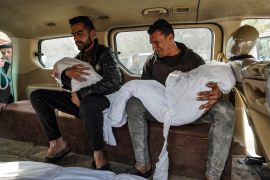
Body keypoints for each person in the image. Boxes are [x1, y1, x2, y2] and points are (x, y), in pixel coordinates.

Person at [126, 19, 234, 179]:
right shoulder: (150, 61)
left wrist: (218, 92)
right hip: (161, 109)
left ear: (170, 38)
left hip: (191, 109)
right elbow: (145, 89)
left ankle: (212, 176)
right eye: (151, 43)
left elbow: (208, 82)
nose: (154, 47)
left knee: (226, 110)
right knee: (134, 103)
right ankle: (143, 165)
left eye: (157, 42)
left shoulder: (194, 60)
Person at [30, 16, 122, 170]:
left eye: (80, 33)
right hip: (80, 100)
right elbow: (70, 86)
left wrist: (82, 94)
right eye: (73, 35)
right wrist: (66, 74)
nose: (76, 38)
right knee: (37, 96)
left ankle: (98, 154)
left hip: (103, 99)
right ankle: (56, 142)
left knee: (87, 103)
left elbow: (114, 81)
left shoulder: (105, 53)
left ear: (92, 33)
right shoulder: (77, 59)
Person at [0, 43, 13, 111]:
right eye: (3, 53)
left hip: (10, 95)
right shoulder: (5, 65)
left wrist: (3, 100)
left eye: (8, 52)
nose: (6, 55)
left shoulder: (18, 64)